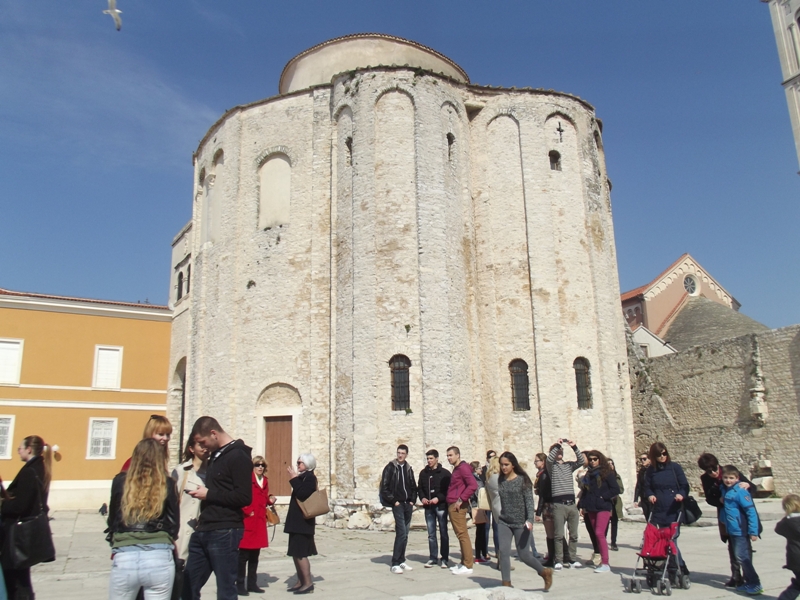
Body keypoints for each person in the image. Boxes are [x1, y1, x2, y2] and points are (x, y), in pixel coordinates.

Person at [184, 417, 253, 600]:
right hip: (204, 529)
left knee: (225, 589)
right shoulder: (216, 455)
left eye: (203, 442)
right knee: (189, 583)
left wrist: (209, 494)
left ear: (213, 434)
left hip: (225, 530)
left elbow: (244, 497)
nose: (203, 447)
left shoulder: (238, 456)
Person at [107, 438, 180, 600]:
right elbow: (174, 524)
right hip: (159, 555)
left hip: (125, 553)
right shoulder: (167, 483)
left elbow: (112, 519)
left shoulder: (120, 481)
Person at [1, 435, 53, 599]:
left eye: (20, 449)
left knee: (16, 581)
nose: (18, 452)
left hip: (17, 533)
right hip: (26, 533)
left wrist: (2, 504)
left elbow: (20, 506)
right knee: (22, 579)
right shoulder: (39, 468)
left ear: (29, 449)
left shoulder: (30, 471)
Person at [496, 451, 553, 591]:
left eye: (506, 465)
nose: (504, 468)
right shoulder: (500, 480)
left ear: (513, 465)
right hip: (504, 521)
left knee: (524, 555)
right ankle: (506, 584)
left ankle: (544, 572)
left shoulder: (523, 480)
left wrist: (530, 520)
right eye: (502, 465)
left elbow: (528, 501)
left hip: (521, 523)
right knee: (503, 552)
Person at [697, 452, 754, 587]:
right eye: (709, 471)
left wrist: (747, 485)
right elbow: (709, 498)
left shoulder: (730, 472)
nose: (713, 473)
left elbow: (752, 487)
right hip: (725, 515)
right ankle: (736, 576)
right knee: (731, 545)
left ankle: (749, 576)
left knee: (744, 547)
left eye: (715, 469)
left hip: (740, 515)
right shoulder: (706, 479)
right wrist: (719, 500)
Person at [643, 442, 689, 580]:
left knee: (672, 540)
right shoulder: (651, 471)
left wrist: (681, 494)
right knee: (661, 541)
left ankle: (679, 567)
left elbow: (684, 485)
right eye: (659, 455)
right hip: (659, 510)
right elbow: (647, 487)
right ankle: (665, 566)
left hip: (674, 509)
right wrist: (650, 494)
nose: (662, 457)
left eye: (664, 453)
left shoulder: (675, 468)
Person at [719, 465, 762, 595]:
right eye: (726, 477)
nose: (728, 480)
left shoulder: (740, 492)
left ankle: (755, 583)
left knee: (743, 557)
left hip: (741, 530)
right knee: (739, 557)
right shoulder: (726, 491)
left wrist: (753, 531)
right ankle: (748, 582)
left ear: (737, 478)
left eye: (731, 478)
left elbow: (751, 512)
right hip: (732, 530)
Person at [237, 456, 276, 595]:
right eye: (257, 465)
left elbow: (264, 499)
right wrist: (247, 511)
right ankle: (240, 584)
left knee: (255, 556)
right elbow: (240, 498)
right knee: (243, 556)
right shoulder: (247, 480)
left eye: (262, 465)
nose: (260, 467)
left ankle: (252, 584)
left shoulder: (264, 481)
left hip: (259, 521)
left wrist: (270, 501)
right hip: (248, 520)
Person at [577, 451, 619, 573]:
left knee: (600, 533)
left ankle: (605, 563)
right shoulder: (589, 474)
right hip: (591, 507)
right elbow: (585, 491)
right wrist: (582, 506)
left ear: (600, 459)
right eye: (590, 459)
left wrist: (603, 497)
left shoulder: (607, 473)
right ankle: (600, 560)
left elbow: (615, 489)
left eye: (595, 459)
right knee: (596, 534)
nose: (593, 461)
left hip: (603, 507)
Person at [546, 438, 585, 570]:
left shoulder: (569, 465)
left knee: (573, 534)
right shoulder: (551, 467)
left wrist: (574, 447)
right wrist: (557, 445)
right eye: (557, 451)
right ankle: (559, 560)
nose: (559, 452)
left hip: (571, 504)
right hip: (558, 504)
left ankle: (572, 559)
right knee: (558, 534)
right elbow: (549, 460)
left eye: (561, 450)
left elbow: (581, 461)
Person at [380, 444, 417, 574]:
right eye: (398, 453)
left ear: (406, 454)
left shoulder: (408, 468)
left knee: (405, 534)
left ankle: (401, 560)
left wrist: (412, 500)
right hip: (398, 505)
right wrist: (393, 501)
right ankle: (395, 562)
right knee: (401, 532)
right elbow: (384, 487)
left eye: (402, 453)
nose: (400, 455)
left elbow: (413, 485)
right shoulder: (390, 467)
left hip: (408, 504)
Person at [172, 434, 209, 563]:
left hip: (204, 530)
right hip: (183, 530)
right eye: (201, 445)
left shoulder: (213, 472)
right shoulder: (181, 471)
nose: (205, 448)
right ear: (191, 449)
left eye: (207, 444)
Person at [285, 453, 319, 594]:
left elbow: (302, 493)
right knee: (295, 552)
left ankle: (308, 583)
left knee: (300, 553)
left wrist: (293, 479)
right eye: (298, 462)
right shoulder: (303, 477)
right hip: (296, 522)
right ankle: (300, 581)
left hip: (303, 523)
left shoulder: (310, 478)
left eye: (300, 463)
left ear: (307, 464)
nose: (298, 465)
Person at [446, 446, 478, 575]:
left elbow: (473, 485)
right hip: (453, 503)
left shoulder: (463, 468)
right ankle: (463, 562)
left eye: (451, 455)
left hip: (457, 505)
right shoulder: (458, 468)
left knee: (462, 534)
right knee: (460, 534)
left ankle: (468, 565)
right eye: (447, 455)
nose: (449, 458)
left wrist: (461, 499)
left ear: (458, 455)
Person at [417, 449, 451, 568]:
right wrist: (422, 498)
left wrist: (439, 498)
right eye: (428, 459)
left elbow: (448, 490)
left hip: (440, 506)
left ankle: (445, 558)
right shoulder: (423, 473)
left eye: (431, 458)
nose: (429, 461)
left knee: (443, 532)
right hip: (429, 507)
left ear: (436, 459)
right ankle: (433, 557)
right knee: (431, 534)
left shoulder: (445, 473)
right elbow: (420, 488)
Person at [533, 452, 557, 567]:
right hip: (551, 504)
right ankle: (559, 555)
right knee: (555, 532)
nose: (535, 463)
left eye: (537, 460)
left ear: (543, 462)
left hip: (548, 505)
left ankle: (552, 557)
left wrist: (538, 512)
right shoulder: (544, 474)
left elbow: (543, 494)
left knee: (550, 533)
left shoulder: (543, 474)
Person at [775, 493, 800, 600]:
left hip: (794, 559)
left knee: (798, 584)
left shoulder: (786, 522)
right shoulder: (797, 522)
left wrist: (786, 517)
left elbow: (778, 529)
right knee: (797, 586)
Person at [485, 456, 504, 570]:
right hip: (502, 507)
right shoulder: (497, 477)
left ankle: (501, 560)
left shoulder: (489, 477)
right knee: (503, 536)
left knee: (501, 534)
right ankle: (503, 562)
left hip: (495, 506)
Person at [470, 461, 489, 564]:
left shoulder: (477, 478)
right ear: (475, 469)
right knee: (480, 531)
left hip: (478, 506)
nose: (481, 469)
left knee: (481, 531)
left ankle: (481, 554)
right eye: (479, 468)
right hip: (477, 507)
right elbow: (477, 493)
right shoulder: (475, 479)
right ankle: (478, 555)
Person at [482, 450, 499, 557]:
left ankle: (498, 551)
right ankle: (485, 551)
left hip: (496, 502)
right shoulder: (484, 469)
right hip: (487, 501)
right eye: (490, 456)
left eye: (494, 456)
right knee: (486, 527)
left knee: (497, 527)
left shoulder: (499, 471)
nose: (492, 458)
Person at [607, 457, 624, 552]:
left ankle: (613, 542)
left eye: (612, 463)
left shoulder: (617, 476)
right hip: (606, 502)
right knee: (605, 523)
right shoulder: (603, 477)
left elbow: (621, 489)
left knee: (614, 523)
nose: (610, 465)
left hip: (615, 502)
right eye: (608, 463)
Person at [633, 452, 652, 521]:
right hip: (643, 497)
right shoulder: (642, 471)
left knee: (652, 517)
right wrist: (636, 499)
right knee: (647, 516)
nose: (642, 461)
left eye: (644, 459)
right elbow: (638, 485)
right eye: (641, 459)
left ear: (649, 459)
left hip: (652, 497)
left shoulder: (653, 470)